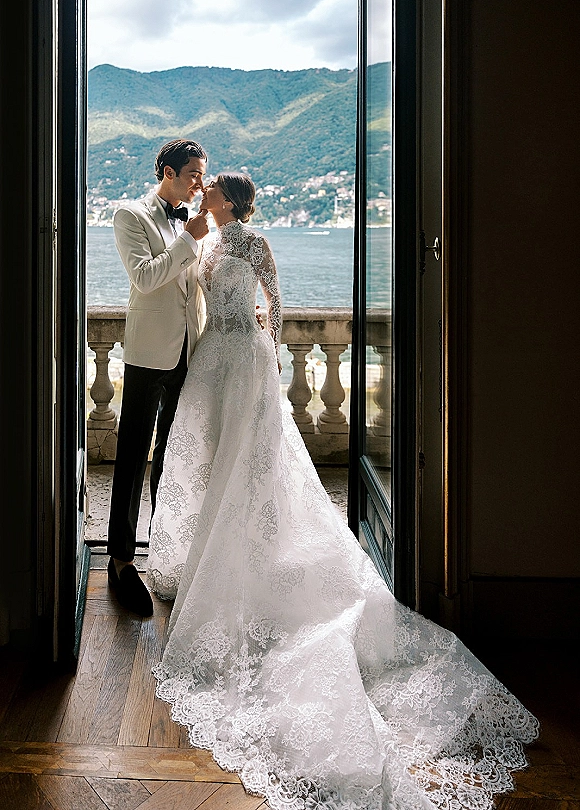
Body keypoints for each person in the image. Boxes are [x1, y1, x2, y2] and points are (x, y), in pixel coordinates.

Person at [146, 172, 539, 810]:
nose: (206, 190)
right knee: (213, 463)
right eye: (206, 183)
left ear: (233, 200)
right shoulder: (207, 242)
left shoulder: (252, 243)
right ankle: (209, 551)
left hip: (241, 359)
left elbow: (273, 299)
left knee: (250, 464)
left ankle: (249, 552)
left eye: (214, 187)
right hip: (211, 360)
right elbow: (191, 295)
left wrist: (263, 345)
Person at [106, 138, 210, 617]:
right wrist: (189, 238)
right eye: (192, 174)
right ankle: (122, 563)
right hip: (150, 353)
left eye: (202, 174)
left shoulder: (191, 222)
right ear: (167, 172)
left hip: (190, 350)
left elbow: (195, 281)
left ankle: (164, 555)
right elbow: (145, 278)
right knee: (132, 455)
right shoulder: (130, 215)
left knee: (173, 457)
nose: (199, 182)